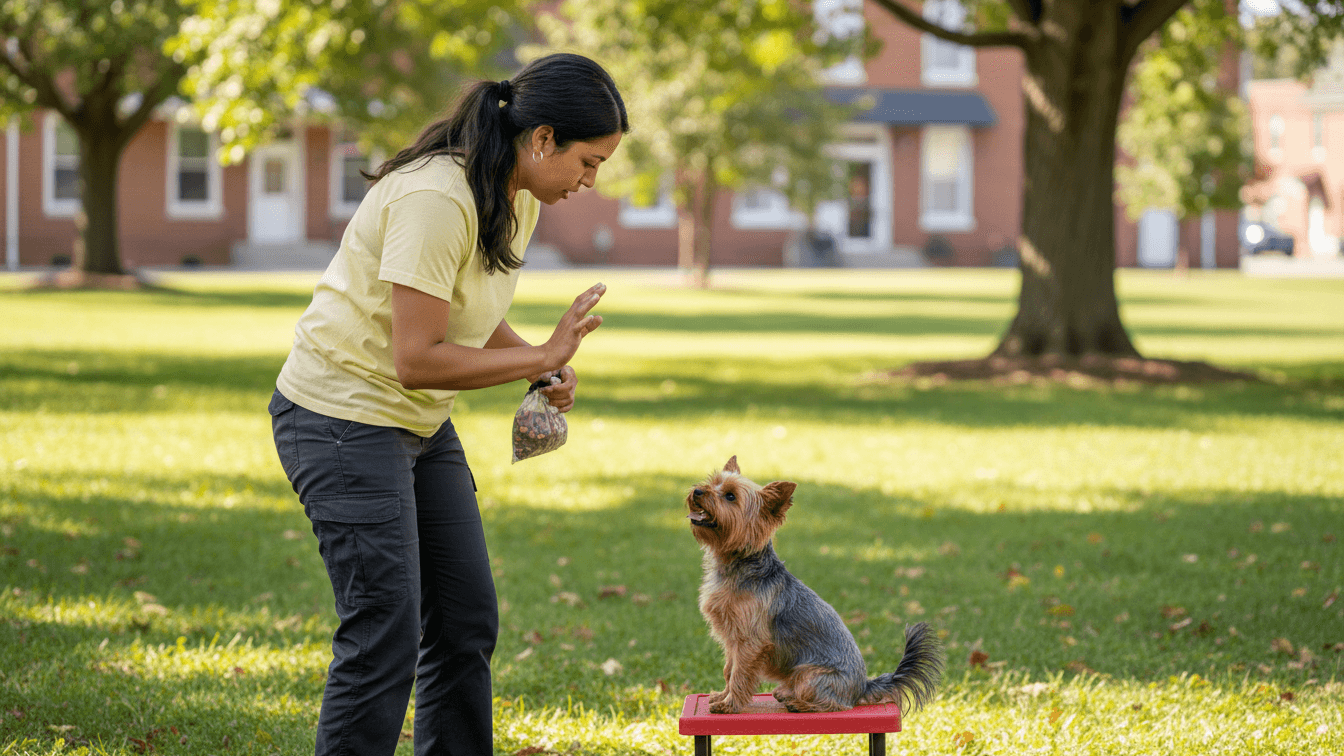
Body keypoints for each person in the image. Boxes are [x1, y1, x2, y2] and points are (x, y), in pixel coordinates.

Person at [267, 53, 628, 756]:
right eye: (589, 162)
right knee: (383, 631)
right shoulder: (437, 199)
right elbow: (418, 358)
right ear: (543, 138)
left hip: (417, 423)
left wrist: (538, 366)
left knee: (465, 619)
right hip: (341, 418)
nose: (590, 181)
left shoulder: (516, 194)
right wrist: (540, 356)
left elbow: (464, 312)